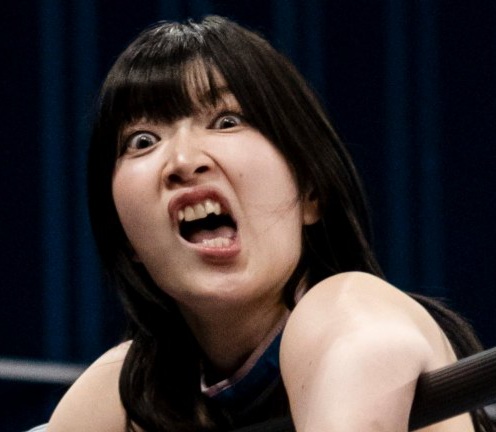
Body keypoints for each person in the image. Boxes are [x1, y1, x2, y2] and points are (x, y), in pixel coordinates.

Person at [46, 16, 492, 432]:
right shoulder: (123, 394)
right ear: (126, 238)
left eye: (227, 121)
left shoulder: (348, 311)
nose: (183, 161)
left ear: (311, 192)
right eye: (143, 141)